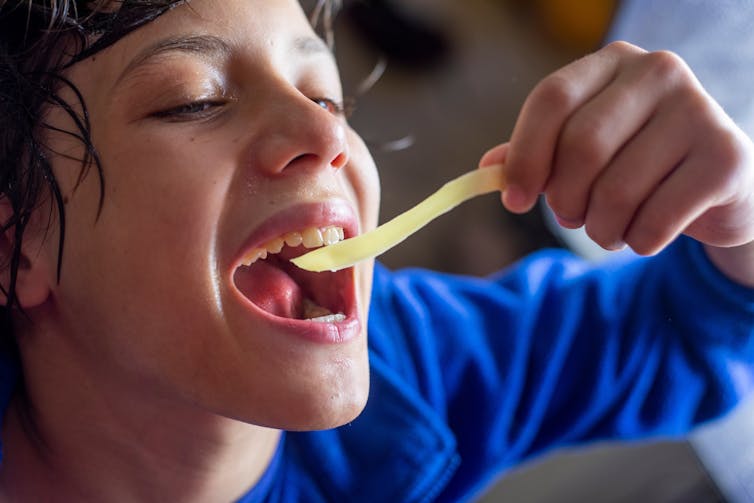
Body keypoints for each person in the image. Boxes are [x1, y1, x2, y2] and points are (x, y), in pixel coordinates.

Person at [0, 0, 752, 501]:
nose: (329, 137)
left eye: (326, 96)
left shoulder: (418, 363)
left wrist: (738, 217)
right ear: (16, 247)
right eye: (195, 99)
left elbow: (684, 327)